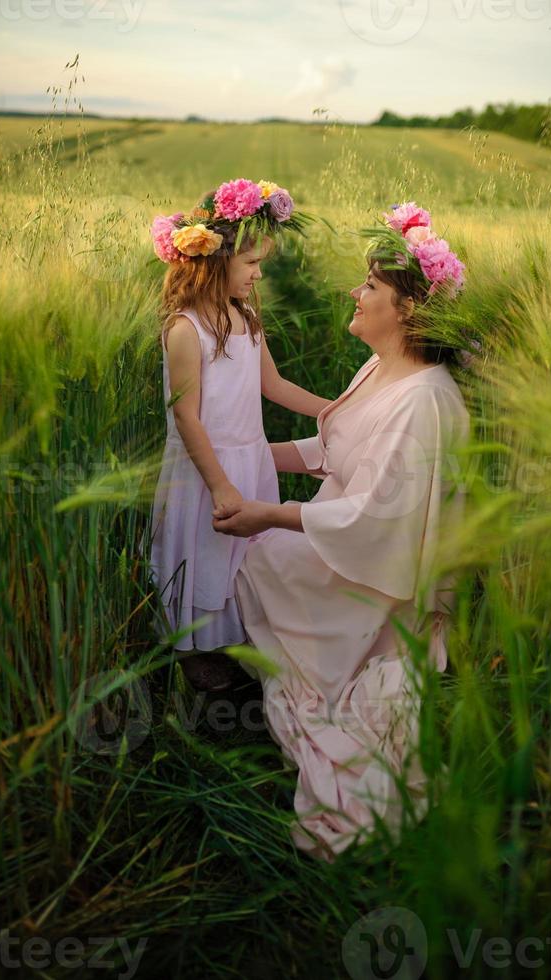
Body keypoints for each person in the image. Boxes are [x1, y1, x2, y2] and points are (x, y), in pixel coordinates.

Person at [213, 202, 471, 860]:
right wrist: (240, 458)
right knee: (253, 545)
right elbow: (334, 446)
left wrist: (267, 511)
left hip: (373, 583)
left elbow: (375, 516)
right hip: (353, 553)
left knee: (256, 550)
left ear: (406, 311)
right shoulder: (382, 370)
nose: (355, 294)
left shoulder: (426, 401)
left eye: (371, 289)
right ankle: (238, 671)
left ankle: (233, 680)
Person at [147, 180, 330, 692]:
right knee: (205, 553)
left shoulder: (246, 316)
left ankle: (242, 640)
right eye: (251, 264)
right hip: (207, 465)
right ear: (213, 260)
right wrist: (222, 485)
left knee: (248, 562)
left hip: (251, 458)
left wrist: (339, 412)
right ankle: (196, 652)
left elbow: (273, 385)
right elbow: (188, 419)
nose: (259, 273)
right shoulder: (186, 329)